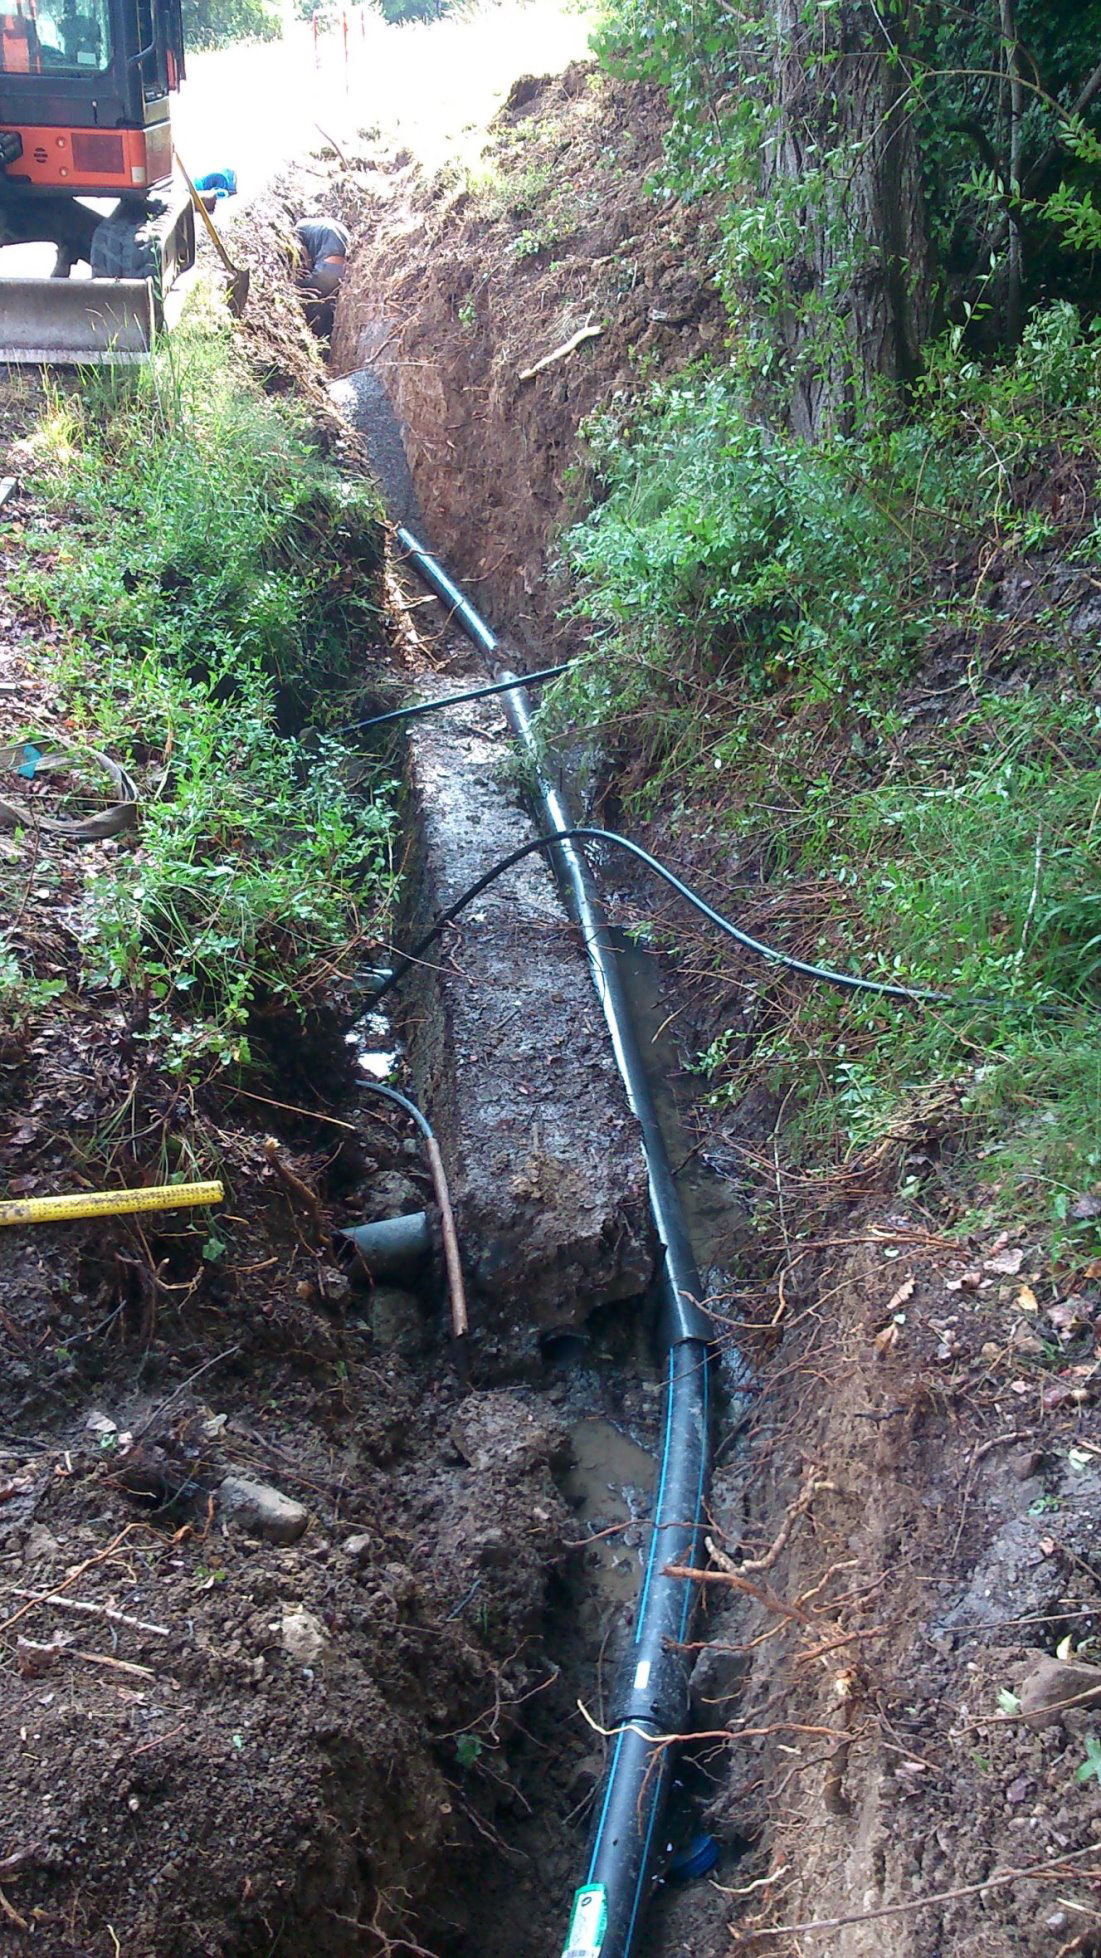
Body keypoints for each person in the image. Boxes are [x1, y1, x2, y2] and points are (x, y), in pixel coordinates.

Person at [295, 216, 350, 301]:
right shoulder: (318, 226)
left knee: (300, 292)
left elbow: (302, 255)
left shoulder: (297, 231)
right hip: (345, 268)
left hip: (330, 267)